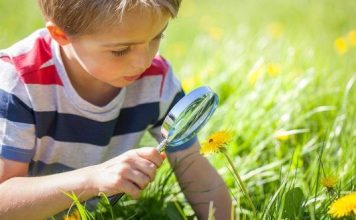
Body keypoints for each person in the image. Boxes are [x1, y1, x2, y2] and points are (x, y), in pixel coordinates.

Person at [0, 0, 231, 219]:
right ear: (61, 34)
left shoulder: (155, 79)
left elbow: (195, 171)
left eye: (156, 37)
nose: (143, 62)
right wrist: (91, 179)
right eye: (121, 50)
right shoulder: (19, 82)